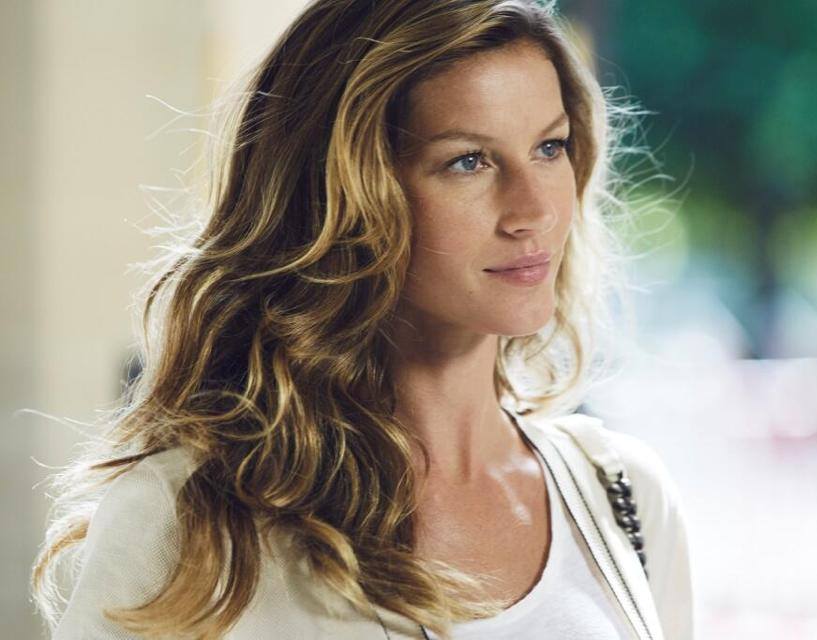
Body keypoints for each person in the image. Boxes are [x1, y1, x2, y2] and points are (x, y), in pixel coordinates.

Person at [31, 1, 696, 638]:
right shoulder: (189, 518)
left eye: (550, 148)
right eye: (468, 161)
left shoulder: (623, 498)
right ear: (341, 193)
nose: (534, 211)